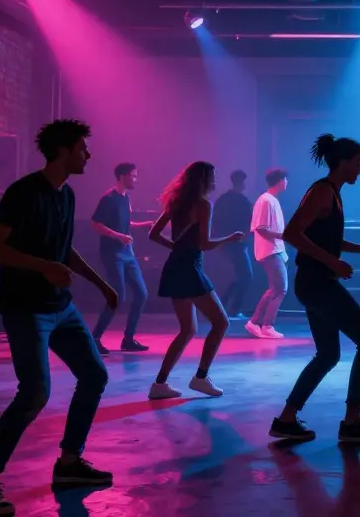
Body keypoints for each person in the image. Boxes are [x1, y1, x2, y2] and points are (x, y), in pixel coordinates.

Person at [0, 120, 119, 516]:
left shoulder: (67, 195)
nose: (88, 155)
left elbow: (64, 252)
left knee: (95, 375)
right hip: (25, 307)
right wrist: (41, 267)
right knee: (34, 393)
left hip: (60, 306)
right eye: (83, 148)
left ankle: (69, 463)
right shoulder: (23, 192)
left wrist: (101, 284)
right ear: (63, 151)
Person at [268, 134, 360, 445]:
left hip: (316, 283)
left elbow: (326, 240)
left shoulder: (332, 193)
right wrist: (332, 263)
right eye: (358, 164)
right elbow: (292, 233)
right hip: (317, 283)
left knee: (328, 354)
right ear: (344, 162)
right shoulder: (323, 192)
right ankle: (351, 423)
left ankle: (286, 419)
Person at [147, 162, 241, 399]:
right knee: (221, 322)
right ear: (204, 180)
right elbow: (205, 244)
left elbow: (153, 234)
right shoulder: (203, 205)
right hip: (189, 267)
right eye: (213, 177)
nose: (215, 181)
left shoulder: (176, 203)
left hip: (175, 265)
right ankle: (201, 377)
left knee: (187, 329)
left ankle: (159, 384)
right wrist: (230, 239)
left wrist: (176, 248)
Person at [89, 162, 154, 354]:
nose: (136, 179)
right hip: (113, 254)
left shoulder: (126, 198)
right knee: (118, 296)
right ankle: (94, 338)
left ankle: (128, 339)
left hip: (128, 254)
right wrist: (118, 236)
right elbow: (96, 224)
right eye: (133, 176)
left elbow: (125, 223)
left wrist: (144, 225)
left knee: (141, 294)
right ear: (122, 177)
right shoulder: (108, 198)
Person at [247, 168, 290, 338]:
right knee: (279, 288)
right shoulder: (265, 201)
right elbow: (261, 229)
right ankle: (265, 325)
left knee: (276, 288)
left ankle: (256, 322)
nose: (287, 183)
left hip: (275, 249)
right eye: (285, 179)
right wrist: (284, 236)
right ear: (280, 180)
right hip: (270, 250)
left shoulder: (271, 200)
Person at [214, 170, 256, 319]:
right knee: (245, 274)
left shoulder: (223, 200)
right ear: (242, 182)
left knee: (240, 274)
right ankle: (232, 308)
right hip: (237, 242)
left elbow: (216, 221)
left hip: (227, 242)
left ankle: (223, 305)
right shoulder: (242, 201)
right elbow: (249, 222)